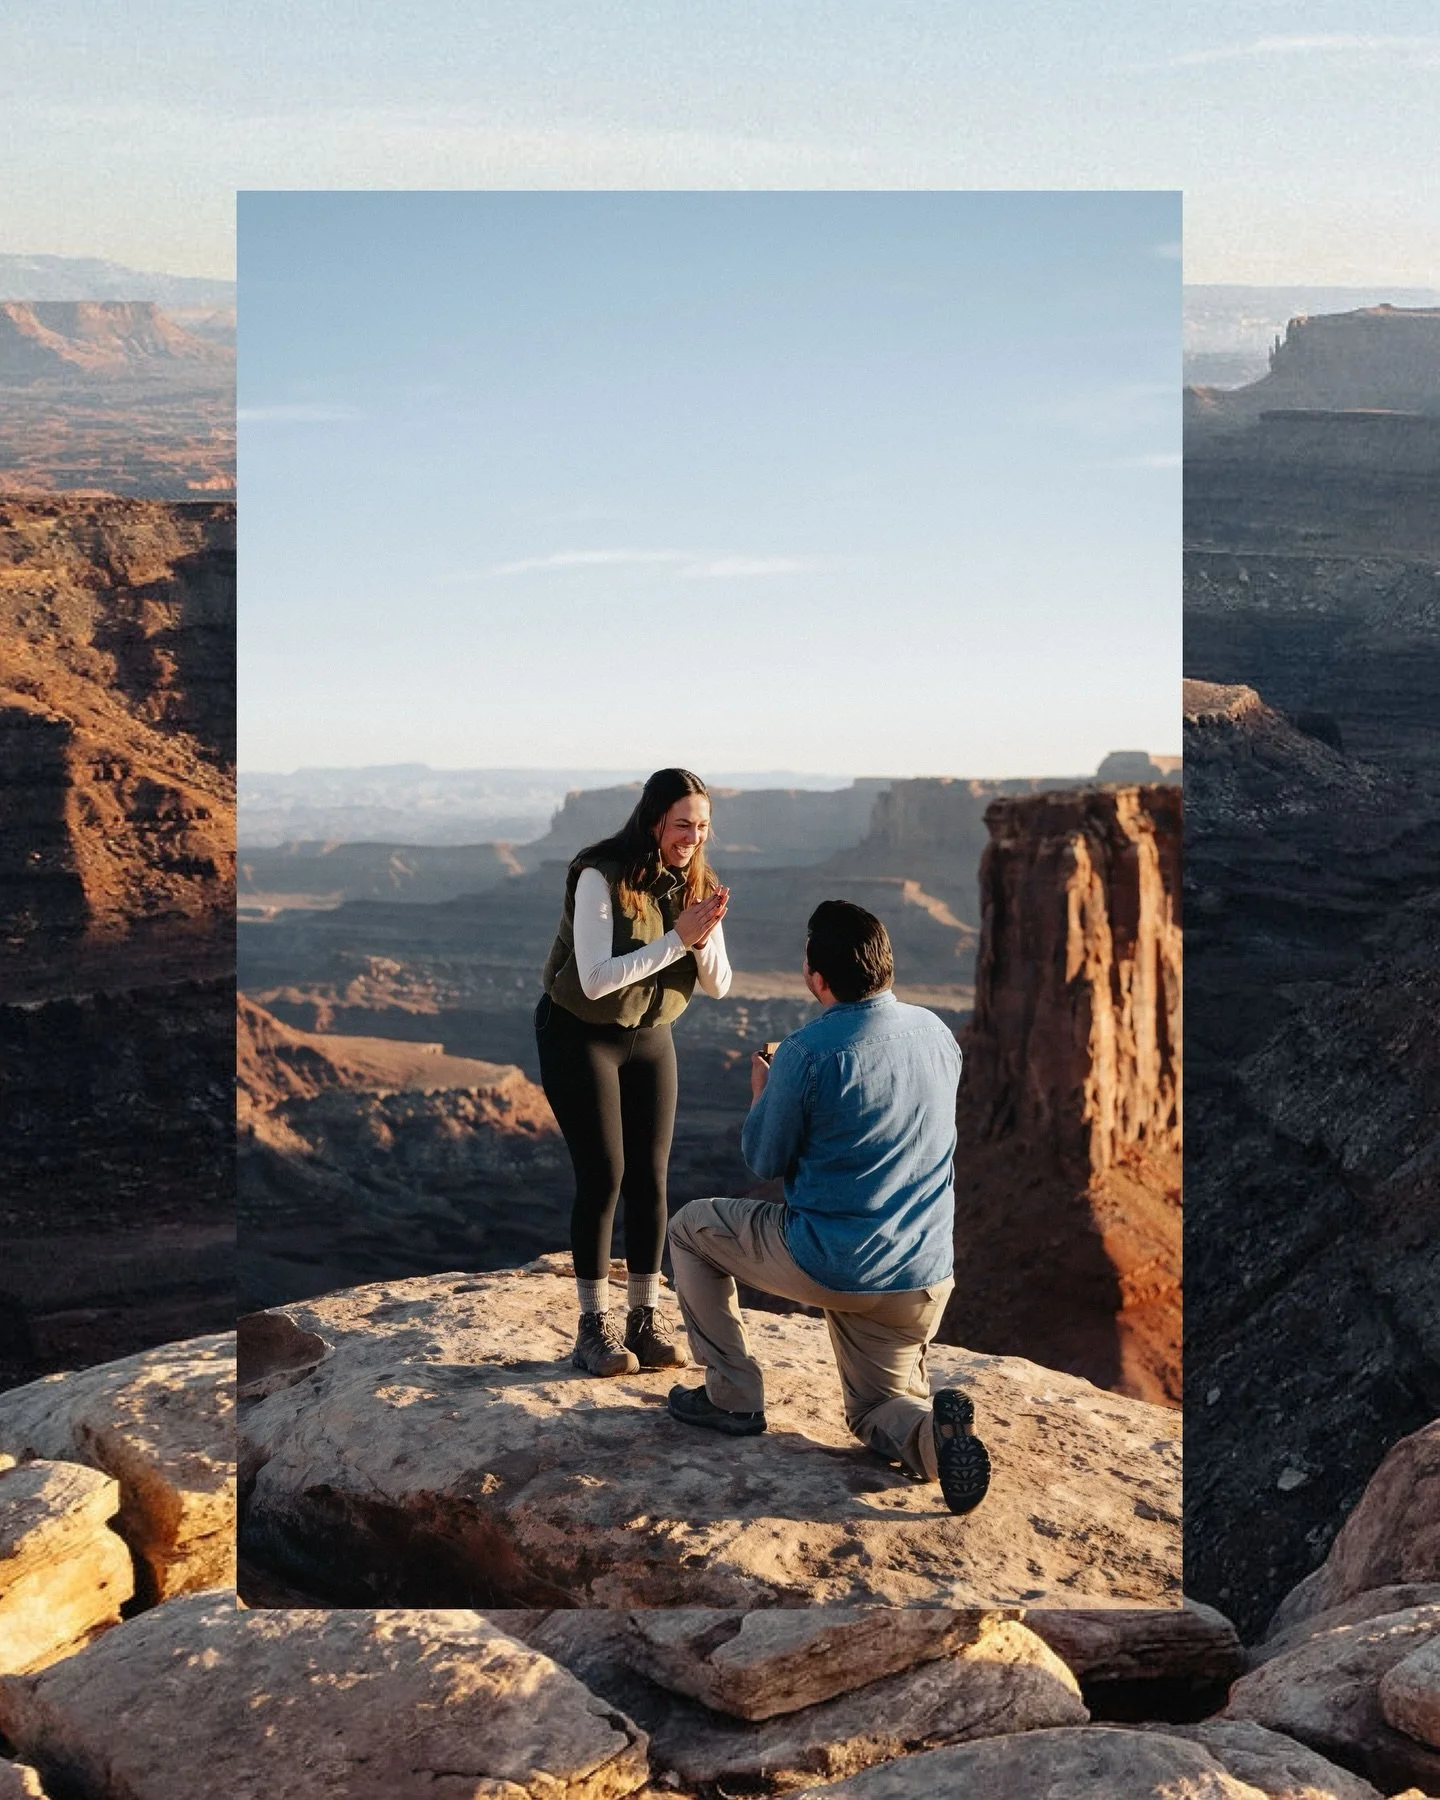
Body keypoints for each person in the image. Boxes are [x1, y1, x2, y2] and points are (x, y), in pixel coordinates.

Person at [665, 899, 990, 1515]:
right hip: (923, 1277)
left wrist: (766, 1091)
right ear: (884, 966)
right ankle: (934, 1440)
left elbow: (764, 1158)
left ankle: (732, 1396)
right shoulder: (939, 1033)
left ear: (817, 978)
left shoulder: (807, 1054)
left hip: (836, 1264)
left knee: (690, 1228)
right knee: (874, 1411)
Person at [536, 767, 732, 1377]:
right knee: (605, 1176)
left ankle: (643, 1322)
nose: (692, 838)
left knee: (651, 1177)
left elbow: (721, 986)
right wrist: (679, 938)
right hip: (580, 1034)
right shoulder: (601, 873)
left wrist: (701, 939)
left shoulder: (701, 883)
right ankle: (591, 1330)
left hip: (651, 1036)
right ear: (654, 822)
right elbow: (595, 981)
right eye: (681, 825)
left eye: (701, 827)